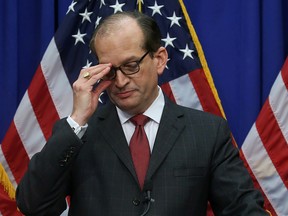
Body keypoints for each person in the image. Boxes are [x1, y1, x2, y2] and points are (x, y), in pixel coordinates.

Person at [16, 11, 269, 216]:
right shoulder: (79, 135)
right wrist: (76, 121)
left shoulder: (207, 132)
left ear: (159, 59)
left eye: (131, 65)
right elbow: (34, 205)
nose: (121, 81)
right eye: (111, 71)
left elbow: (243, 209)